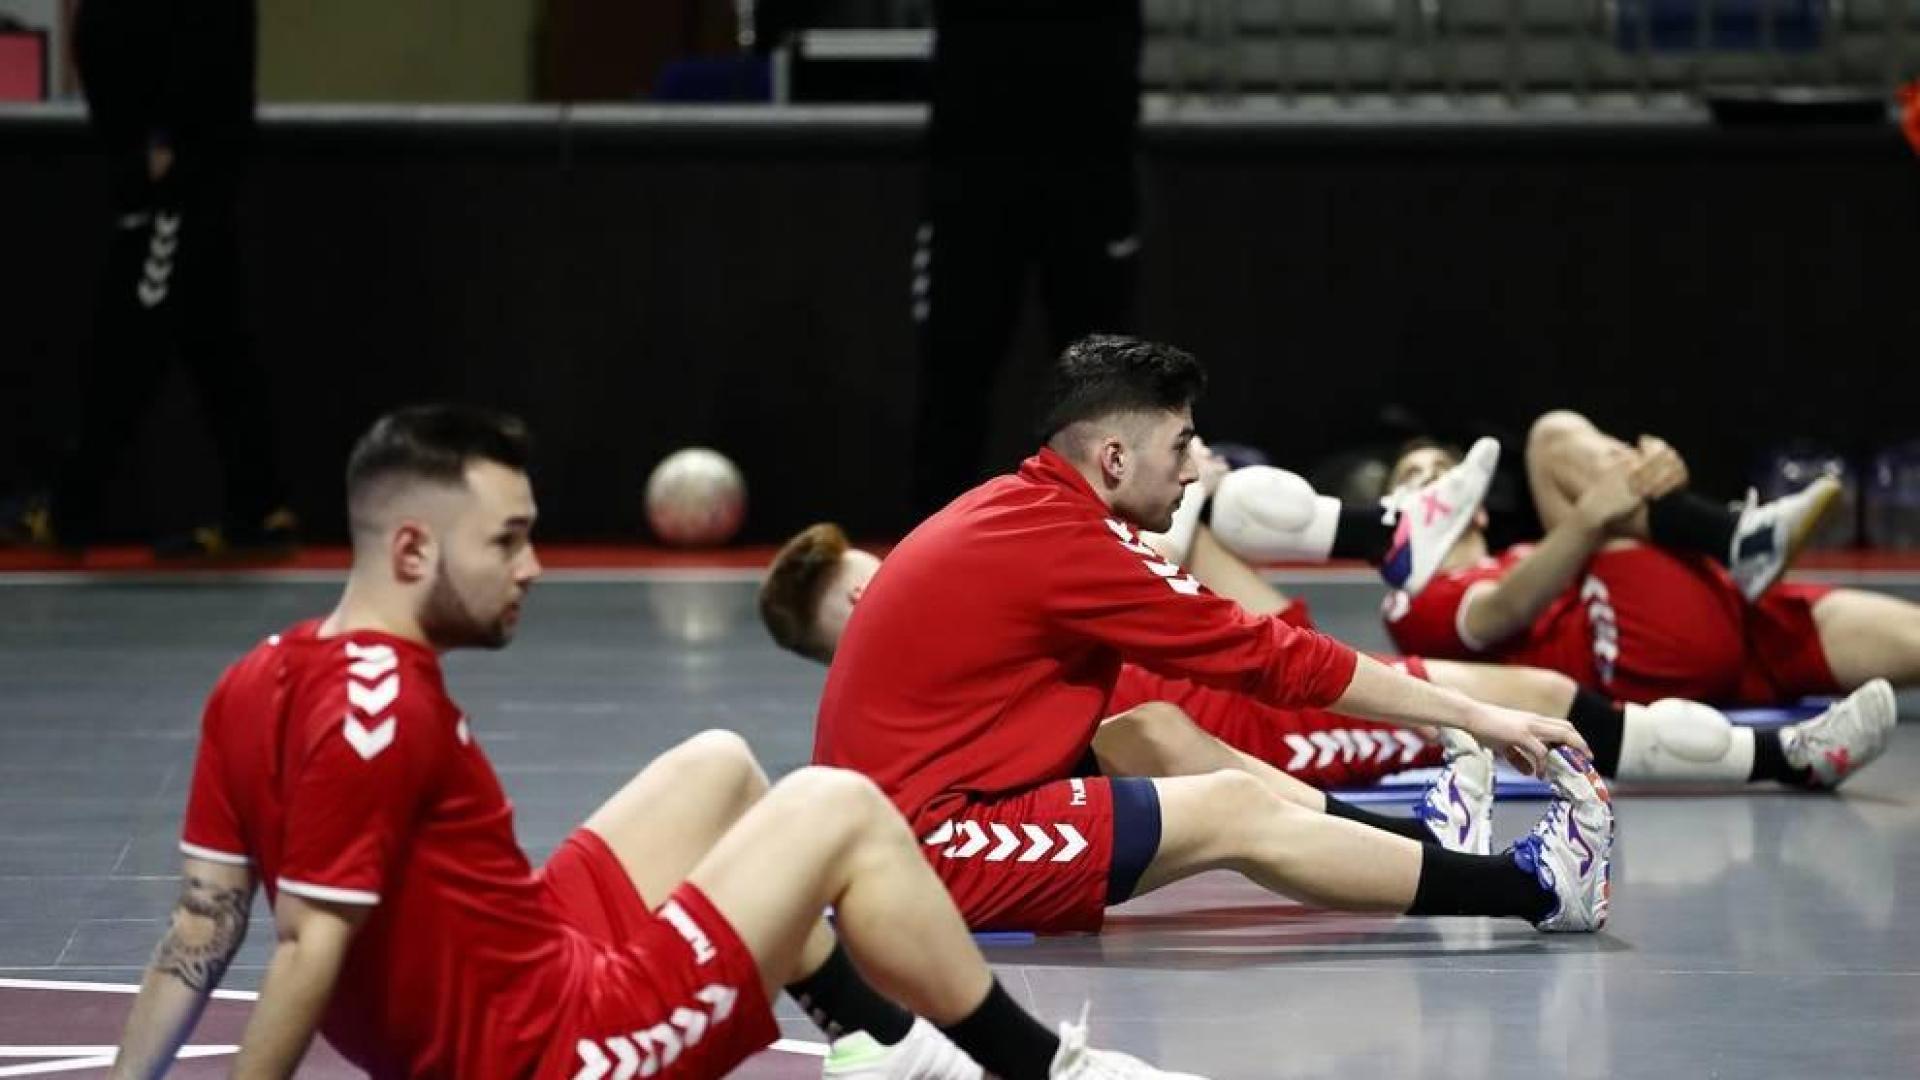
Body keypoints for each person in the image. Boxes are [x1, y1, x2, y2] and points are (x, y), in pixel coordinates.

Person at [108, 405, 1196, 1080]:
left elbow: (198, 929)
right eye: (508, 542)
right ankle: (1039, 1069)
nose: (532, 568)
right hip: (545, 1055)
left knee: (719, 766)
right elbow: (305, 948)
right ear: (409, 548)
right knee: (838, 807)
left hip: (523, 960)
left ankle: (875, 1042)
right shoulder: (377, 711)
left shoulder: (260, 675)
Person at [812, 335, 1614, 939]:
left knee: (1153, 733)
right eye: (1181, 445)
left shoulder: (1026, 507)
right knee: (1228, 809)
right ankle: (1534, 890)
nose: (1197, 469)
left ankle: (1418, 842)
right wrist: (1474, 715)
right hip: (924, 853)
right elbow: (1272, 657)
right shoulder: (1068, 545)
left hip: (932, 804)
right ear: (1115, 457)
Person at [1204, 411, 1900, 786]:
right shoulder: (1412, 597)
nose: (1430, 481)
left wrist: (1653, 485)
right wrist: (1597, 512)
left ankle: (1726, 537)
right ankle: (1734, 533)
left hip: (1742, 620)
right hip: (1635, 649)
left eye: (1441, 474)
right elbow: (1500, 613)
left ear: (1475, 507)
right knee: (1552, 439)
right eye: (1413, 477)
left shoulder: (1529, 546)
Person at [19, 0, 293, 554]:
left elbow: (204, 47)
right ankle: (259, 509)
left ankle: (72, 510)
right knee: (216, 344)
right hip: (169, 171)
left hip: (175, 183)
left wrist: (166, 142)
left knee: (127, 344)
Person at [911, 0, 1144, 516]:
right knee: (955, 367)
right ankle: (935, 545)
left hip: (1090, 159)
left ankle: (1108, 541)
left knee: (1103, 376)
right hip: (975, 159)